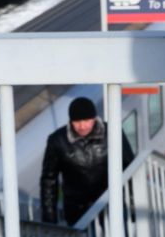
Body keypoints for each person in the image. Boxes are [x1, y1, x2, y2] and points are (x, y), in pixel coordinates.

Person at [38, 95, 135, 226]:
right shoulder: (57, 141)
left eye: (86, 120)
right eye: (77, 121)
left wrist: (132, 202)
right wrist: (49, 219)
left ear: (94, 118)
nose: (82, 126)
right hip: (78, 211)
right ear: (70, 121)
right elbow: (49, 181)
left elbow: (130, 166)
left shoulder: (113, 132)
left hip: (112, 205)